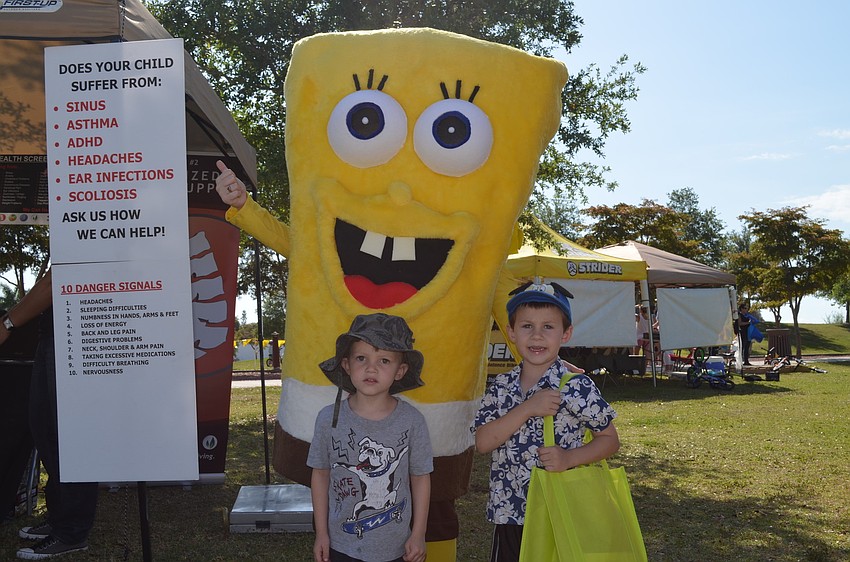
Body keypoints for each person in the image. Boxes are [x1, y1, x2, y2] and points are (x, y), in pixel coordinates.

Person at [472, 282, 620, 562]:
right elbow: (482, 442)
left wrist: (569, 458)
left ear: (566, 334)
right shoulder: (501, 386)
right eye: (527, 326)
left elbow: (610, 440)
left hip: (560, 509)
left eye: (548, 327)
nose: (537, 336)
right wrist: (528, 408)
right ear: (511, 333)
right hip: (510, 512)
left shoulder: (576, 387)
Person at [307, 313, 432, 562]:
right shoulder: (327, 419)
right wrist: (321, 533)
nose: (371, 368)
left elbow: (420, 477)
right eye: (361, 358)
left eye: (384, 360)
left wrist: (419, 534)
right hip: (342, 547)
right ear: (346, 364)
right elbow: (320, 474)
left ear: (400, 371)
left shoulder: (412, 421)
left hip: (396, 549)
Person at [0, 270, 98, 559]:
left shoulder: (81, 227)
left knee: (68, 437)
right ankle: (60, 519)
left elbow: (56, 280)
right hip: (53, 332)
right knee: (45, 430)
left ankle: (72, 532)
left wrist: (7, 324)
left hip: (76, 332)